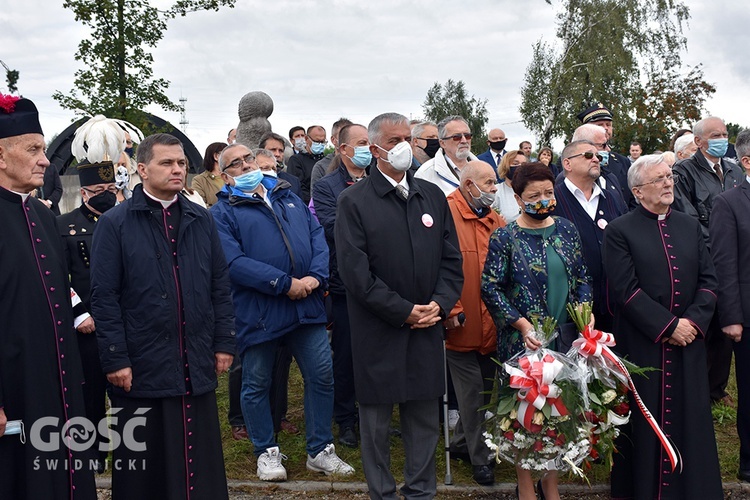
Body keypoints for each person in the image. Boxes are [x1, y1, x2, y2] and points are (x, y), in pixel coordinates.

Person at [90, 133, 235, 499]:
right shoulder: (115, 223)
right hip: (142, 361)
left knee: (198, 458)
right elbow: (104, 297)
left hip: (194, 354)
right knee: (146, 463)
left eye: (182, 163)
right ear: (142, 169)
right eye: (167, 163)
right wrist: (115, 358)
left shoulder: (201, 219)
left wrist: (223, 342)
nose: (177, 170)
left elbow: (219, 284)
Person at [335, 112, 463, 499]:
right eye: (394, 141)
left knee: (423, 418)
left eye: (408, 138)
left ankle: (421, 491)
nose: (405, 147)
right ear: (374, 149)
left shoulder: (432, 196)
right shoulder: (353, 201)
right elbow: (356, 274)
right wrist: (402, 310)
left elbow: (451, 261)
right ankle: (382, 493)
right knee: (374, 423)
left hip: (427, 325)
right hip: (378, 329)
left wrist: (438, 305)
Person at [211, 143, 353, 482]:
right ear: (223, 174)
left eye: (248, 159)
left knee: (321, 375)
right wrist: (282, 282)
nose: (245, 166)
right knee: (257, 381)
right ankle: (266, 452)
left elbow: (317, 236)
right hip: (260, 309)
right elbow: (233, 262)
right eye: (235, 163)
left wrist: (315, 277)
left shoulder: (288, 195)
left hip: (306, 303)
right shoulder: (221, 212)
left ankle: (320, 450)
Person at [603, 154, 722, 499]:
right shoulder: (620, 230)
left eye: (669, 176)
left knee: (691, 420)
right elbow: (625, 290)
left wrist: (693, 323)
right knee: (644, 426)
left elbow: (709, 281)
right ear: (638, 191)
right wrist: (668, 325)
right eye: (659, 180)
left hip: (689, 344)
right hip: (644, 344)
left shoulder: (688, 225)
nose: (669, 183)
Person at [0, 95, 97, 499]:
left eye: (44, 149)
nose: (46, 160)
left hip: (57, 383)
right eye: (33, 149)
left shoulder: (42, 215)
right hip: (13, 389)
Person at [481, 162, 591, 500]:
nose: (543, 200)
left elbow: (582, 276)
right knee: (526, 418)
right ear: (517, 197)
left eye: (548, 193)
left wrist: (586, 315)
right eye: (534, 196)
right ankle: (526, 486)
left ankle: (551, 484)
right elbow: (491, 287)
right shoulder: (505, 237)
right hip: (523, 344)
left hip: (563, 339)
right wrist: (522, 324)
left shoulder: (567, 230)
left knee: (560, 413)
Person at [59, 114, 131, 473]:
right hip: (85, 324)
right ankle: (89, 459)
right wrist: (78, 313)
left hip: (125, 321)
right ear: (83, 192)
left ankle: (124, 454)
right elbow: (56, 274)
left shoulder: (127, 222)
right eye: (97, 193)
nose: (105, 198)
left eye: (110, 192)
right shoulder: (63, 225)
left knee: (126, 394)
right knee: (88, 394)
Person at [672, 116, 744, 406]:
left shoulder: (734, 170)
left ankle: (717, 387)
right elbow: (687, 217)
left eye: (725, 134)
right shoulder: (684, 172)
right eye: (716, 134)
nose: (722, 139)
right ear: (699, 142)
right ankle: (696, 388)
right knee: (705, 322)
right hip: (704, 256)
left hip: (734, 258)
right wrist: (719, 245)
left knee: (728, 319)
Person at [444, 160, 503, 485]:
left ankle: (461, 443)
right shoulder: (445, 214)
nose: (494, 189)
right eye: (489, 183)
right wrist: (449, 308)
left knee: (484, 394)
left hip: (491, 327)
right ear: (469, 185)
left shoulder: (494, 219)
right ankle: (482, 459)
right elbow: (435, 266)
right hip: (460, 325)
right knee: (471, 394)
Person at [312, 123, 370, 449]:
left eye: (369, 143)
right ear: (343, 149)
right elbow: (334, 228)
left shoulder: (379, 178)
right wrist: (375, 231)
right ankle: (345, 418)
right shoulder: (327, 186)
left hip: (382, 282)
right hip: (345, 282)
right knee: (346, 354)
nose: (367, 148)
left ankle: (372, 413)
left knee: (375, 352)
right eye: (361, 143)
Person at [710, 129, 750, 483]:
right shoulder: (729, 203)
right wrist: (732, 317)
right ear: (747, 162)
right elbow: (724, 263)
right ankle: (749, 462)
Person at [554, 139, 626, 332]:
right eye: (588, 155)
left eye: (598, 155)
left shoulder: (611, 198)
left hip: (614, 302)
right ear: (567, 163)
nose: (596, 159)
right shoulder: (554, 200)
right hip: (572, 307)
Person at [576, 103, 631, 207]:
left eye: (608, 124)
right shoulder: (572, 159)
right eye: (600, 125)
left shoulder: (623, 161)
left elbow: (632, 199)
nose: (606, 128)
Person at [415, 115, 479, 195]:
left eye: (467, 136)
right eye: (457, 137)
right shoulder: (425, 173)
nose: (464, 140)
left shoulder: (483, 167)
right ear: (442, 143)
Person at [287, 125, 326, 203]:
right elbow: (298, 187)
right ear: (307, 139)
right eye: (317, 141)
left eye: (322, 142)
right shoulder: (296, 160)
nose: (320, 144)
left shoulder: (326, 160)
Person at [310, 117, 352, 190]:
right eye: (343, 136)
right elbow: (316, 197)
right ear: (333, 140)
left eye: (350, 137)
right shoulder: (321, 167)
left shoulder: (363, 164)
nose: (347, 140)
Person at [258, 131, 302, 197]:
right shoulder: (252, 180)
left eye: (281, 151)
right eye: (273, 150)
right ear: (261, 151)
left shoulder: (294, 181)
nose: (277, 154)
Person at [492, 150, 527, 224]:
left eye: (523, 164)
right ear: (506, 166)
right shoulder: (496, 191)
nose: (520, 167)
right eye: (515, 163)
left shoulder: (532, 190)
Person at [192, 141, 227, 207]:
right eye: (227, 154)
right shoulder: (199, 180)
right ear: (216, 156)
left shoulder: (233, 176)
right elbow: (199, 205)